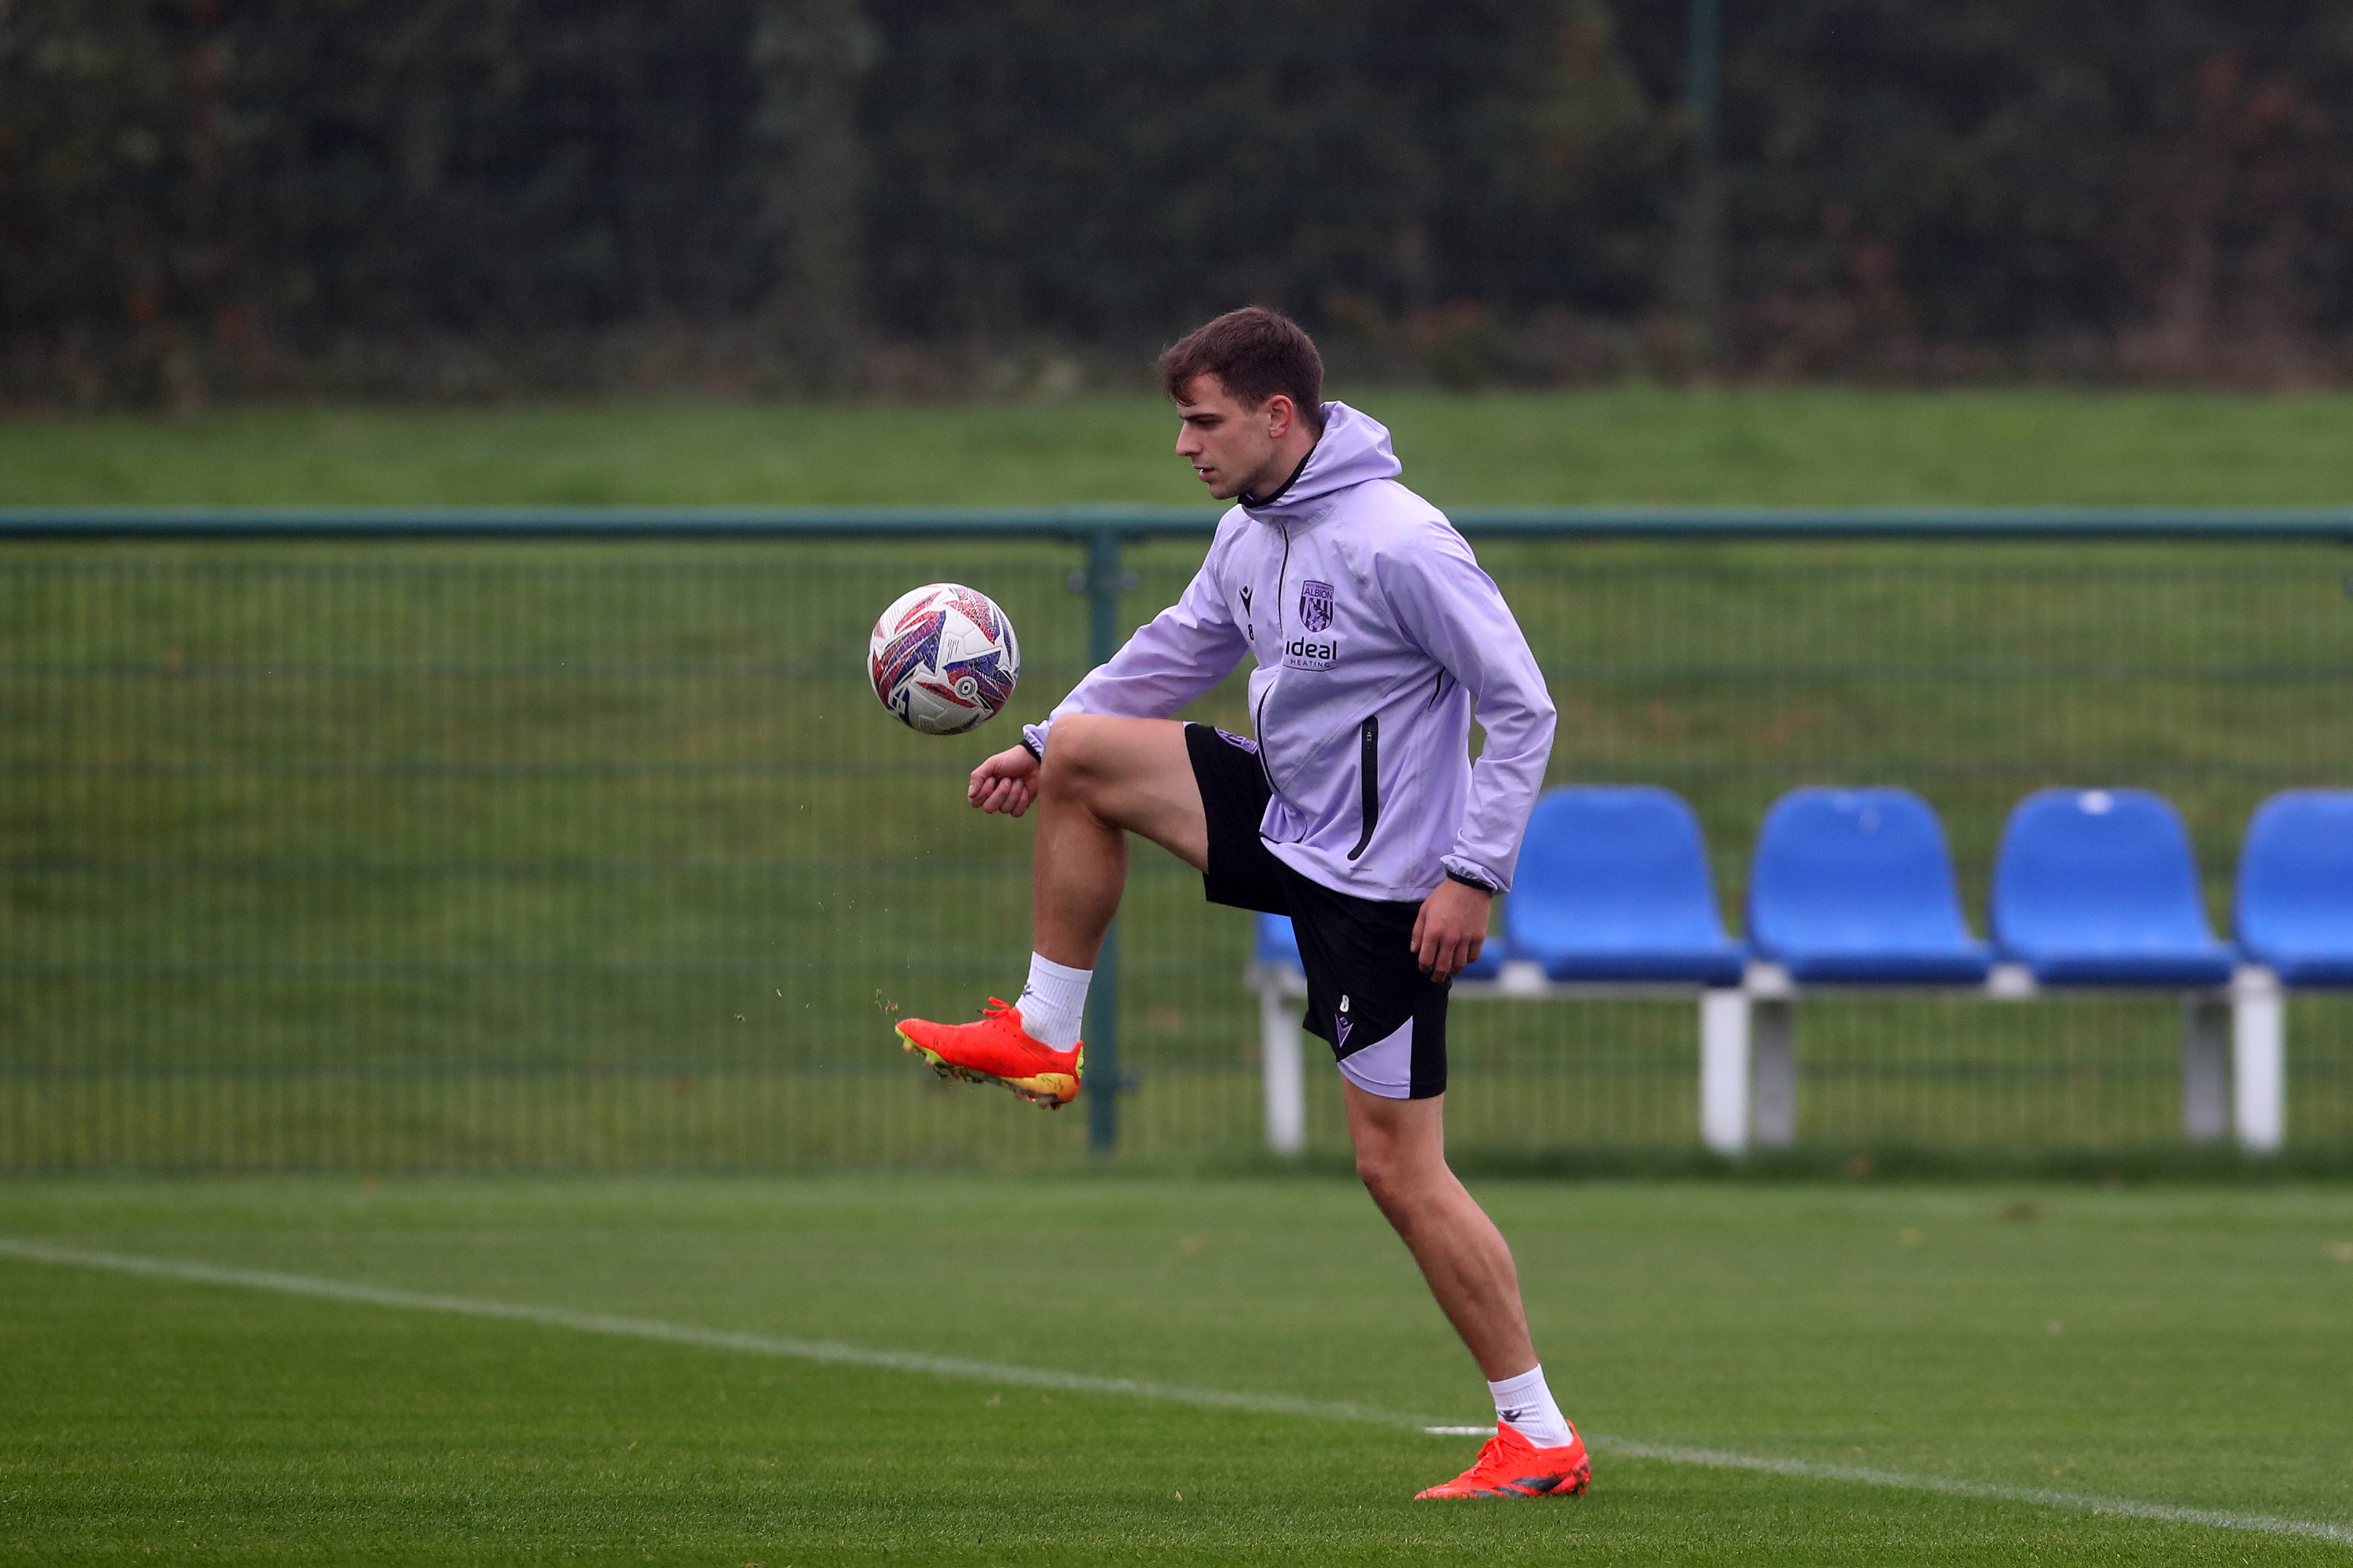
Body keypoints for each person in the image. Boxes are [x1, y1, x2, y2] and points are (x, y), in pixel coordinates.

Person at [893, 306, 1582, 1501]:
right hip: (1283, 817)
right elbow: (1176, 644)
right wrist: (1043, 739)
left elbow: (1520, 706)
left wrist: (1473, 872)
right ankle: (1045, 1034)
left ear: (1276, 416)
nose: (1182, 446)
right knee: (1086, 758)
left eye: (1200, 421)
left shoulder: (1400, 543)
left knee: (1398, 1171)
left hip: (1385, 889)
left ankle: (1536, 1433)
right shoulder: (1250, 532)